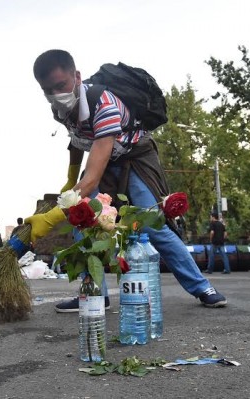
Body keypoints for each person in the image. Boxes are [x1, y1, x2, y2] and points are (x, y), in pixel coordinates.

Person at [27, 49, 227, 311]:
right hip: (107, 159)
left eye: (61, 85)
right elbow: (76, 139)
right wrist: (70, 177)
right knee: (82, 221)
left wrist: (51, 217)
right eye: (48, 90)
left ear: (76, 77)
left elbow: (93, 177)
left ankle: (203, 287)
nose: (56, 94)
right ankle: (95, 292)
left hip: (135, 159)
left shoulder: (104, 106)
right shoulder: (60, 107)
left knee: (153, 224)